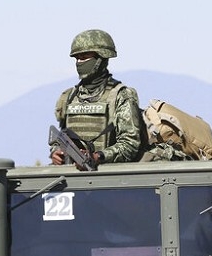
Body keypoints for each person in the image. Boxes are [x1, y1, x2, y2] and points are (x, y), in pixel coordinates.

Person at [49, 29, 143, 167]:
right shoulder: (69, 97)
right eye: (77, 58)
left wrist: (99, 156)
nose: (79, 62)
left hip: (107, 177)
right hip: (71, 177)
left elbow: (130, 145)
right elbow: (62, 135)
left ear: (102, 57)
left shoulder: (121, 95)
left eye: (85, 56)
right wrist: (56, 152)